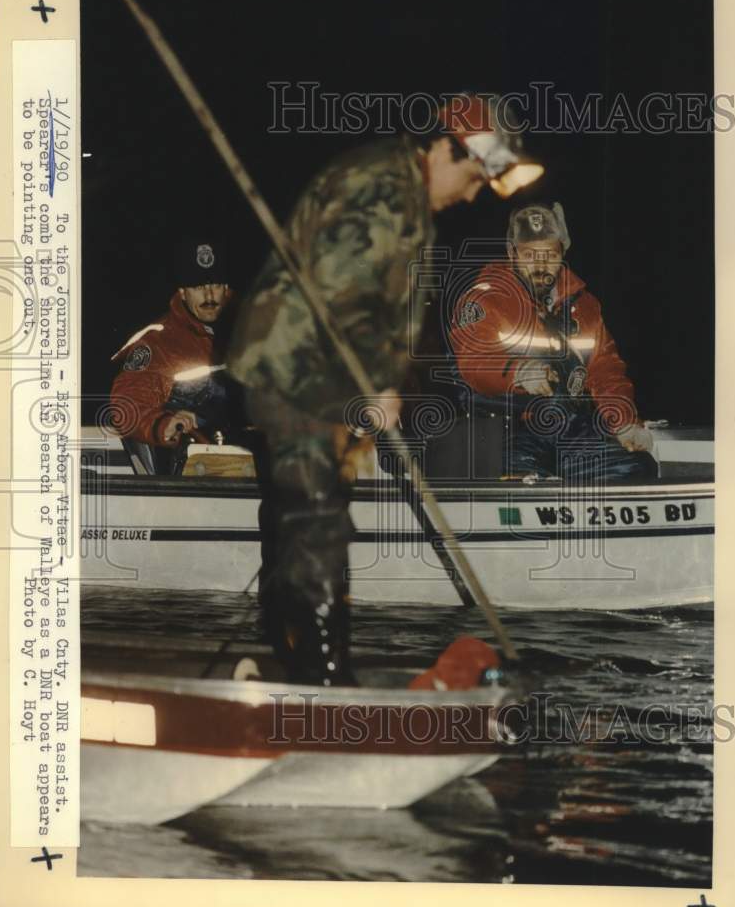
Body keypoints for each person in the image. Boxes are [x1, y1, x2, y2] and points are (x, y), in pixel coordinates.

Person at [226, 94, 543, 686]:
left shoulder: (402, 191)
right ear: (449, 147)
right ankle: (324, 685)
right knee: (316, 520)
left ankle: (293, 666)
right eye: (475, 177)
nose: (473, 194)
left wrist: (379, 387)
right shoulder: (384, 187)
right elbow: (347, 293)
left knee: (308, 519)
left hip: (314, 378)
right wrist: (373, 386)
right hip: (295, 371)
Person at [450, 201, 657, 481]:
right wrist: (517, 372)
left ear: (563, 252)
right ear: (511, 253)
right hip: (508, 433)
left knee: (637, 470)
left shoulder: (585, 307)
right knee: (523, 490)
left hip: (570, 429)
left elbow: (605, 370)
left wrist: (623, 421)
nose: (540, 264)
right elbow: (472, 361)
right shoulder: (484, 299)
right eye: (530, 255)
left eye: (549, 254)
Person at [110, 239, 237, 474]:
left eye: (216, 285)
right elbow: (126, 406)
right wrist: (163, 424)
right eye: (198, 286)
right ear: (182, 291)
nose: (209, 295)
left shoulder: (252, 331)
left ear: (226, 288)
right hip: (191, 475)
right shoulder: (159, 343)